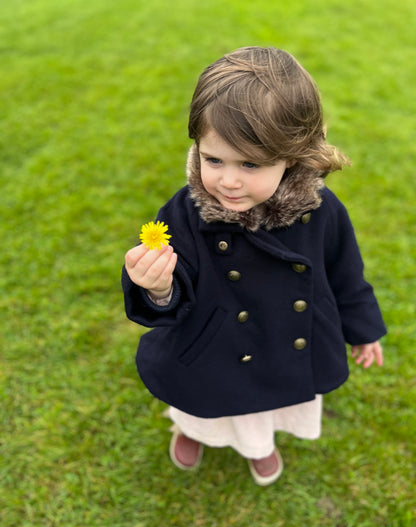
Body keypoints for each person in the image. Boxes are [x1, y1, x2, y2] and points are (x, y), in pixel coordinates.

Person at [122, 47, 386, 486]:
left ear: (293, 156)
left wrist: (362, 329)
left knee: (266, 403)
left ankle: (260, 445)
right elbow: (176, 288)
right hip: (214, 347)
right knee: (201, 400)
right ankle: (193, 429)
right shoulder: (187, 211)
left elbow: (344, 271)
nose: (228, 180)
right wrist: (158, 287)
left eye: (250, 164)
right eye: (214, 160)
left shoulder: (321, 210)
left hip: (284, 342)